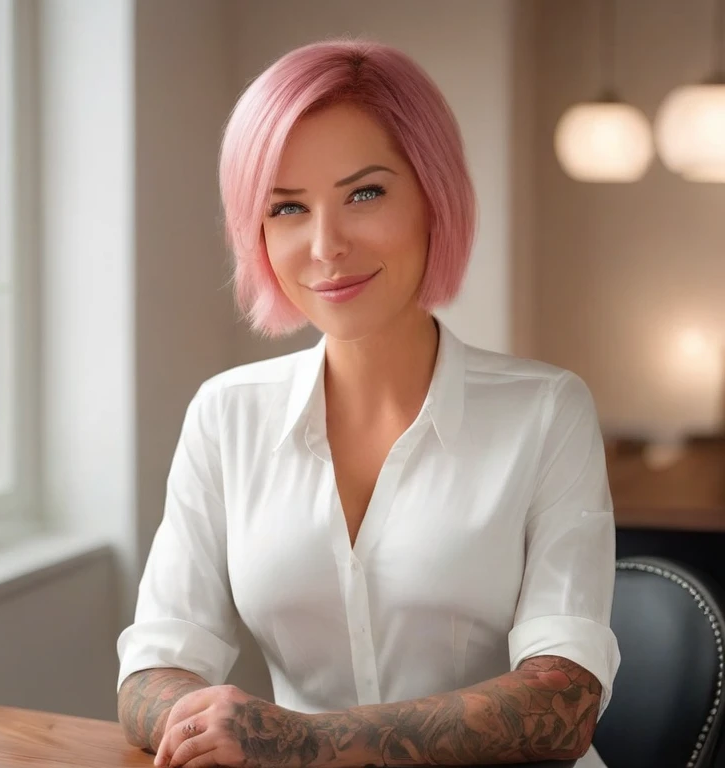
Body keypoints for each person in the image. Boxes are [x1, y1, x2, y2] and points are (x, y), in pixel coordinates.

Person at [116, 38, 620, 768]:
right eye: (286, 207)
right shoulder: (226, 415)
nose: (325, 246)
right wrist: (196, 718)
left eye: (365, 193)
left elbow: (563, 700)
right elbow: (151, 668)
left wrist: (298, 741)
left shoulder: (548, 413)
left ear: (432, 198)